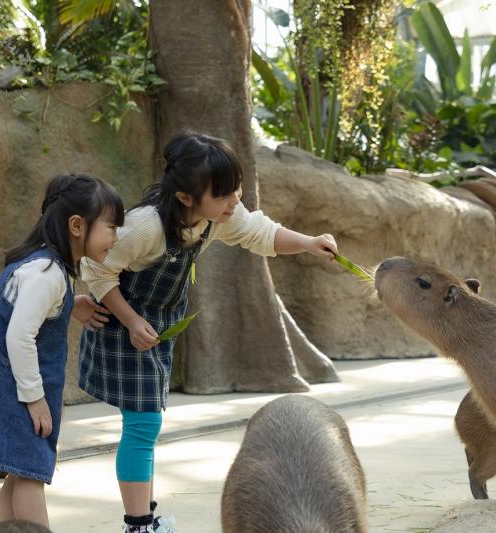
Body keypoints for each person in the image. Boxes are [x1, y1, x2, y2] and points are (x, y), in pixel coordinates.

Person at [79, 132, 338, 533]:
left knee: (147, 421)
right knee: (143, 424)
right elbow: (96, 267)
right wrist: (129, 320)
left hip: (156, 328)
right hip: (123, 324)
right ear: (186, 198)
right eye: (225, 195)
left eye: (236, 190)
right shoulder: (144, 227)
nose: (235, 201)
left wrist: (308, 243)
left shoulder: (217, 217)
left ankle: (144, 514)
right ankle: (139, 524)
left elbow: (260, 233)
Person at [0, 174, 124, 528]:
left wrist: (69, 305)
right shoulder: (46, 272)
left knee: (19, 471)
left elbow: (30, 315)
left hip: (6, 386)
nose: (116, 237)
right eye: (112, 227)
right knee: (31, 474)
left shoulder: (45, 266)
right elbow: (19, 335)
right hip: (11, 391)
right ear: (77, 225)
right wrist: (34, 397)